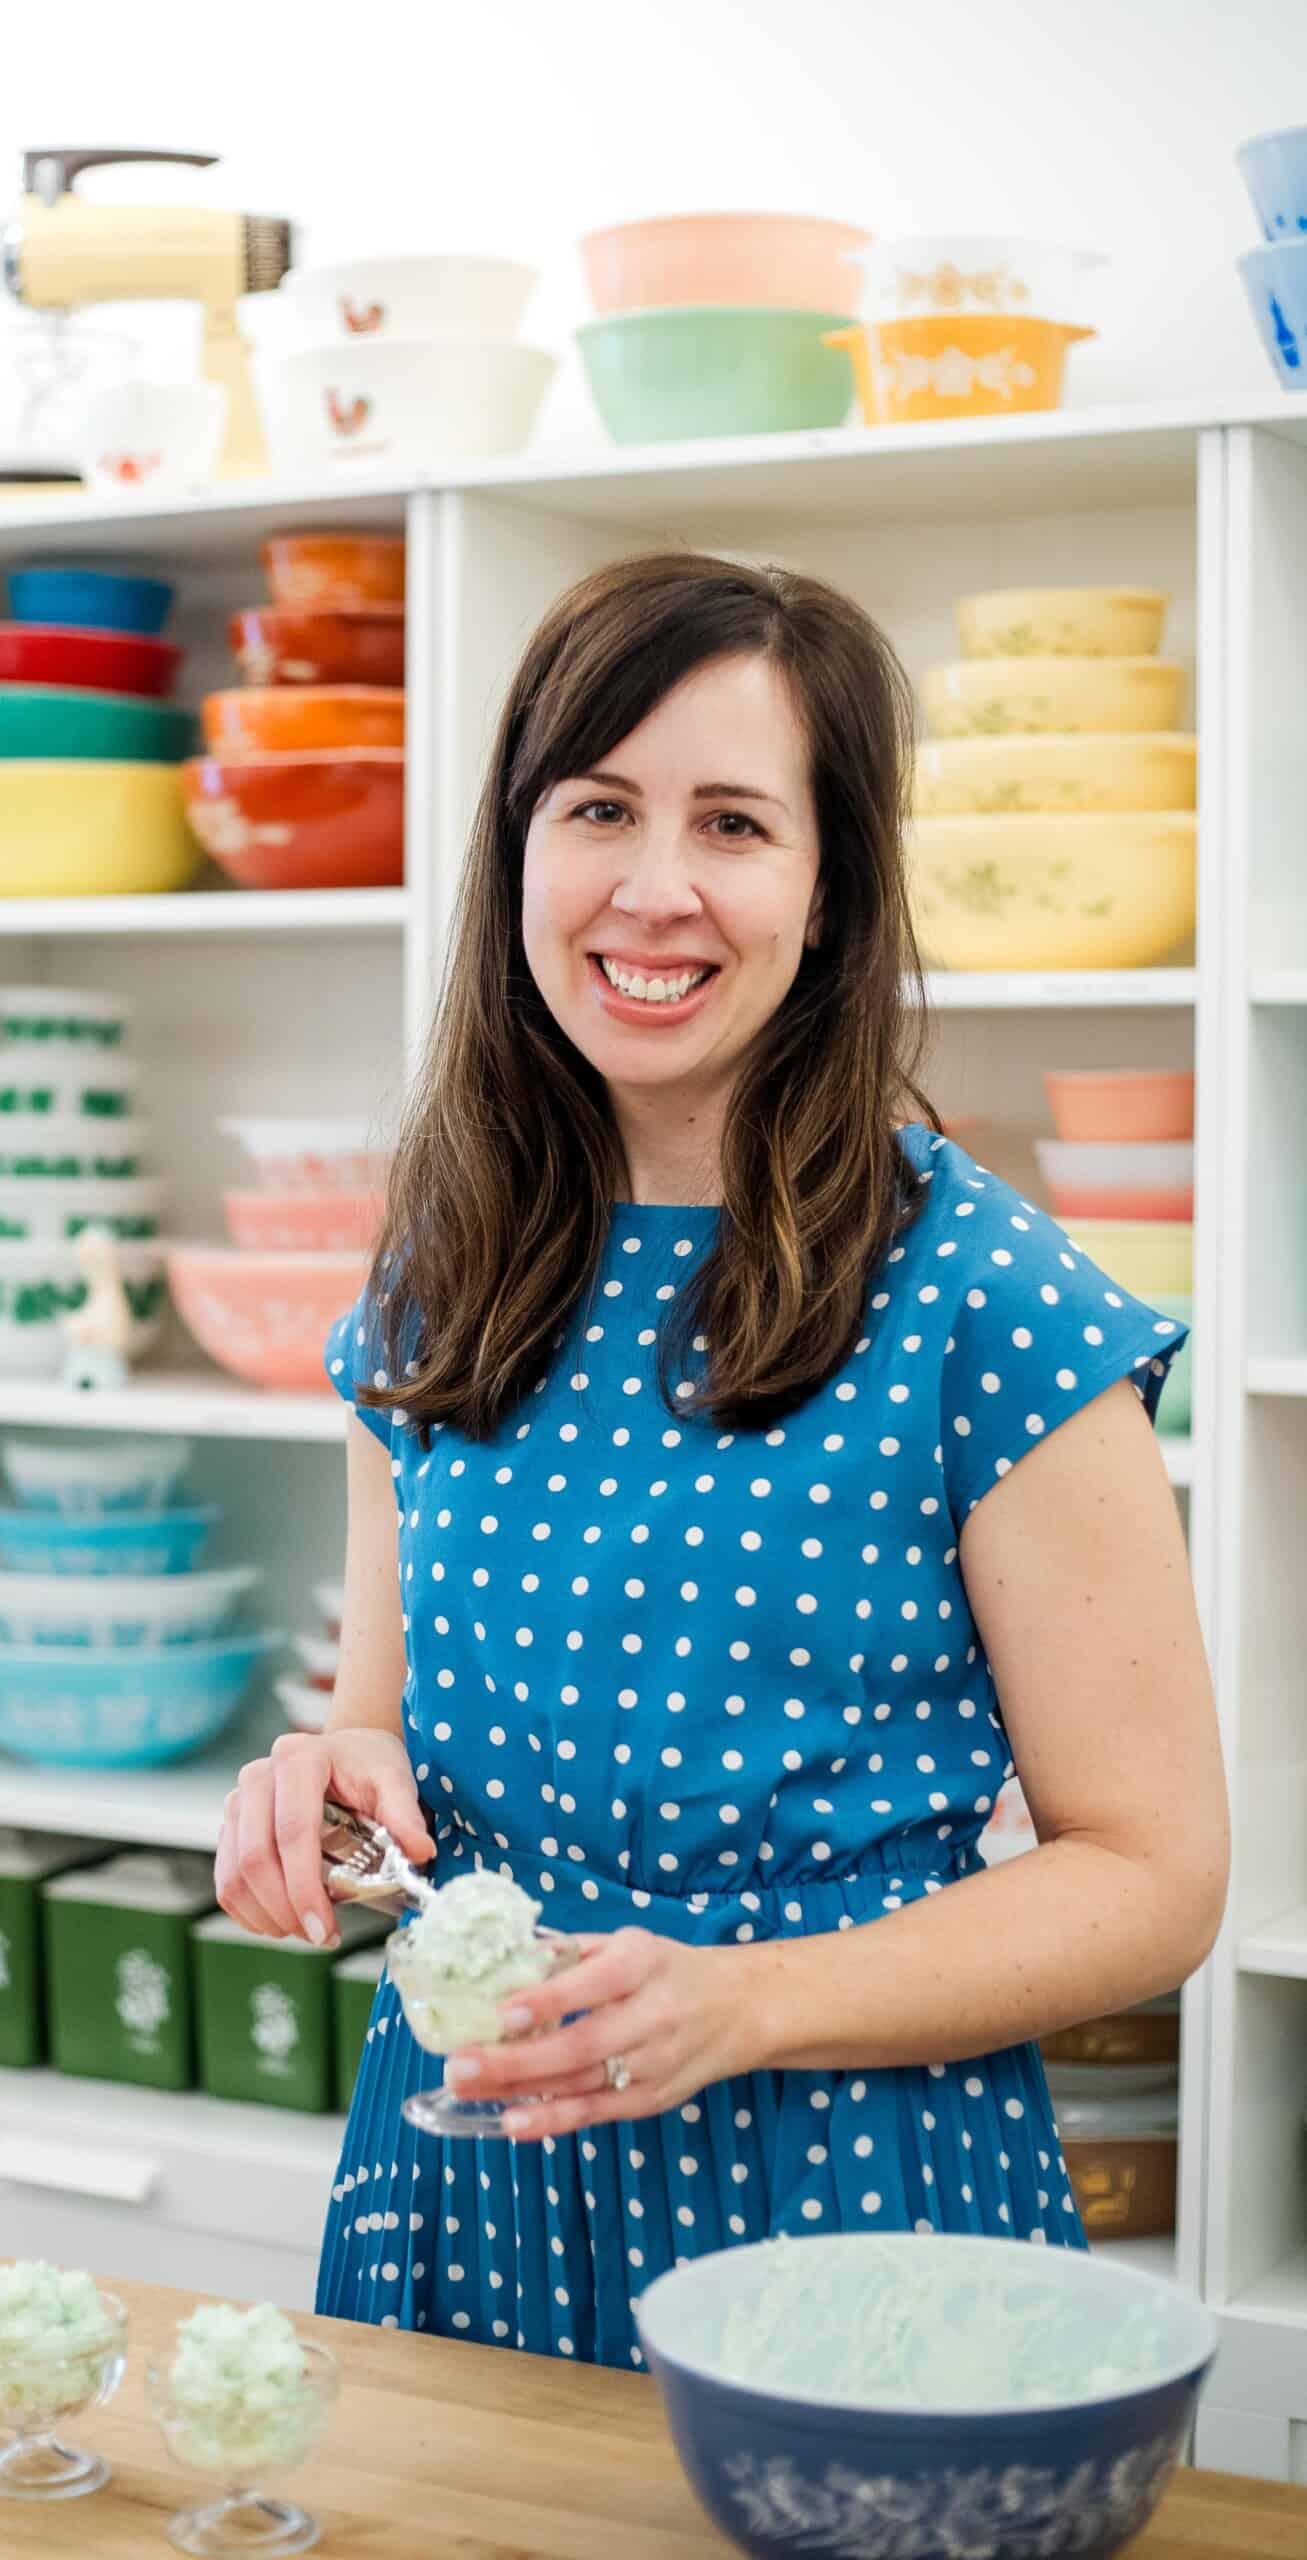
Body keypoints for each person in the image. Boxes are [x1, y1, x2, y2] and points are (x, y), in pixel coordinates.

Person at [213, 551, 1228, 2370]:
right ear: (518, 851)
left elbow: (1154, 1873)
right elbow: (389, 1745)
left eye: (737, 824)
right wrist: (327, 1793)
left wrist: (745, 2005)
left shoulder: (986, 1298)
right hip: (475, 2167)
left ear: (832, 894)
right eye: (598, 807)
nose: (654, 889)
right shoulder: (441, 1264)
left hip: (845, 2188)